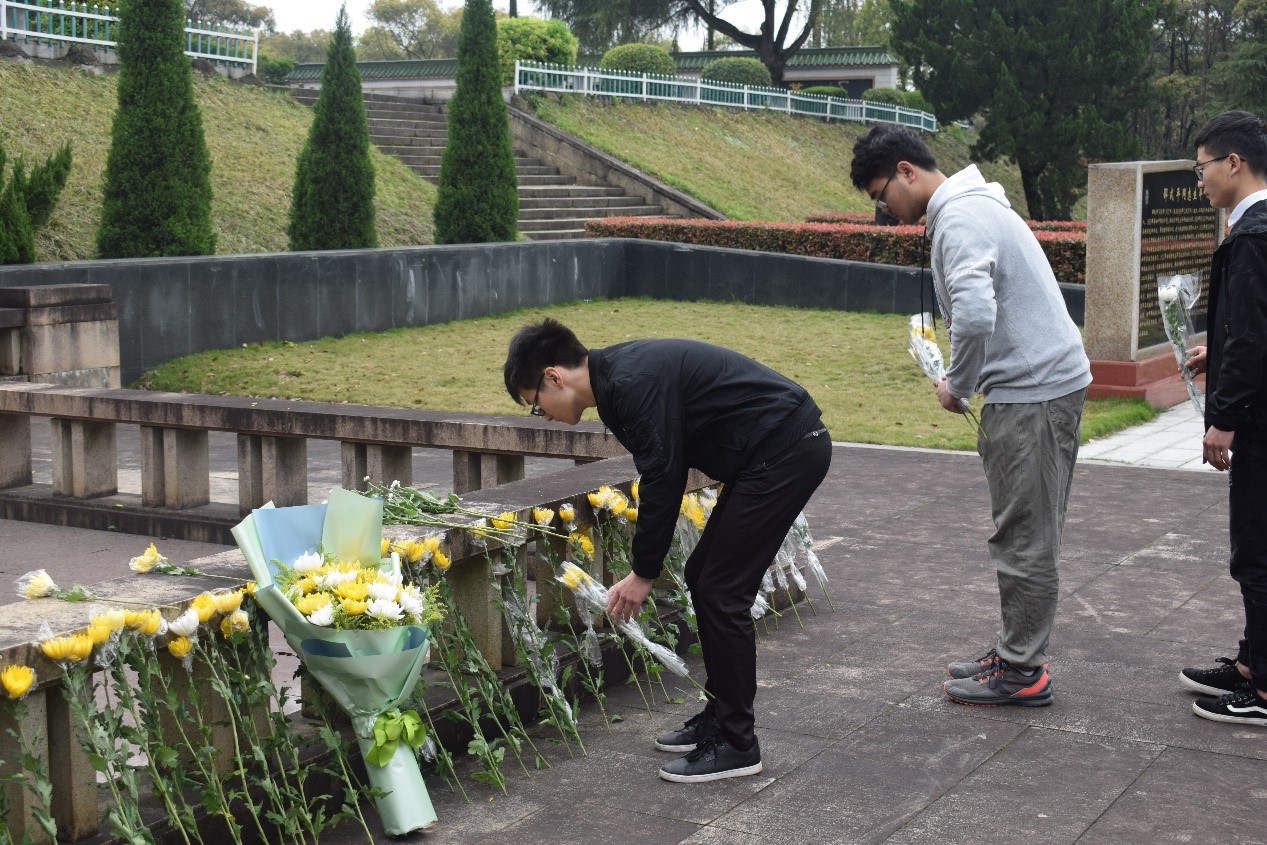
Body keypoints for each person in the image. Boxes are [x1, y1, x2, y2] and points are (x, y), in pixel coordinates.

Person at [503, 319, 831, 781]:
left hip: (786, 451)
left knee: (722, 591)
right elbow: (666, 465)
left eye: (537, 406)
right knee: (704, 577)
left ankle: (738, 743)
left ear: (554, 377)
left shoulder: (629, 383)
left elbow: (663, 476)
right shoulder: (616, 380)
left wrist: (643, 573)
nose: (545, 417)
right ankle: (721, 718)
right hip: (769, 455)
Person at [849, 126, 1091, 707]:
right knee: (1025, 529)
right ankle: (1016, 650)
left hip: (1031, 393)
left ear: (906, 171)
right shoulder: (974, 205)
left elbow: (976, 314)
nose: (884, 210)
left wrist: (957, 386)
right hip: (1040, 386)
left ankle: (1023, 671)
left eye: (882, 195)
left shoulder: (960, 217)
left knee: (1025, 535)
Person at [1178, 110, 1267, 727]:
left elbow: (1254, 338)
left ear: (1233, 163)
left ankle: (1262, 688)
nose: (1200, 179)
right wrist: (1222, 345)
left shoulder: (1253, 237)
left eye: (1202, 166)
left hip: (1258, 421)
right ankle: (1250, 661)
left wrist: (1225, 418)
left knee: (1256, 552)